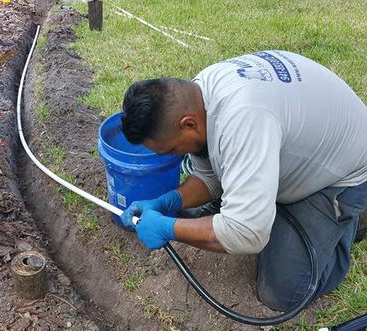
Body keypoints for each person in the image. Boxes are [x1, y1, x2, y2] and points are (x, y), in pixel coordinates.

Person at [120, 50, 367, 311]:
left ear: (188, 124)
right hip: (300, 150)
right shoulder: (198, 95)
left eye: (170, 150)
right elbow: (210, 175)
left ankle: (352, 221)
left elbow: (246, 234)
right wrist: (167, 201)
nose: (176, 155)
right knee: (207, 213)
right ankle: (270, 203)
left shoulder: (242, 120)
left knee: (285, 291)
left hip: (342, 176)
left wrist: (169, 228)